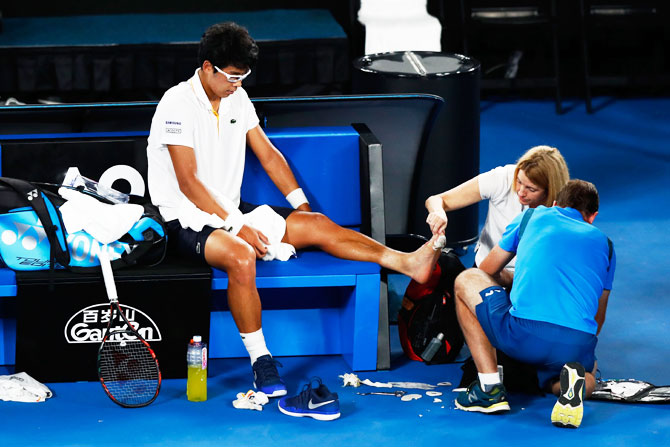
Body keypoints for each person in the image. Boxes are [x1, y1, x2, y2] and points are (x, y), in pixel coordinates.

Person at [146, 22, 442, 397]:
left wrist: (299, 205)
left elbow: (268, 154)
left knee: (316, 224)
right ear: (208, 67)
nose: (237, 83)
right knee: (240, 256)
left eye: (243, 76)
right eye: (232, 76)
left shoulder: (238, 98)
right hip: (184, 218)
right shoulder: (176, 104)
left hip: (229, 209)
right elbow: (188, 183)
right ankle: (261, 361)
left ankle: (405, 262)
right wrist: (236, 226)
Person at [451, 179, 616, 428]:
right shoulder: (608, 246)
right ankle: (574, 383)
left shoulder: (530, 217)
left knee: (467, 279)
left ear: (555, 204)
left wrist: (512, 277)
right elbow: (598, 316)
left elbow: (486, 272)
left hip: (524, 336)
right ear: (592, 217)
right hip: (578, 343)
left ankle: (489, 390)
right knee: (585, 373)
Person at [425, 146, 569, 287]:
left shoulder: (566, 210)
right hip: (485, 272)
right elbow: (437, 200)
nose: (520, 191)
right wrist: (438, 212)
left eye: (531, 189)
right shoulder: (503, 177)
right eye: (519, 181)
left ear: (550, 190)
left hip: (529, 283)